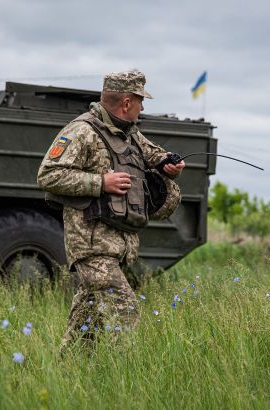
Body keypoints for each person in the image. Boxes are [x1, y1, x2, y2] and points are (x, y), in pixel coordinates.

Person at [37, 69, 185, 349]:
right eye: (141, 100)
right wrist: (100, 182)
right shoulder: (81, 131)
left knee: (85, 329)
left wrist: (168, 162)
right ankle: (127, 383)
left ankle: (69, 375)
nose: (143, 107)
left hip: (116, 243)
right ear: (127, 103)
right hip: (92, 245)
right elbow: (48, 175)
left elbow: (152, 154)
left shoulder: (128, 133)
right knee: (125, 312)